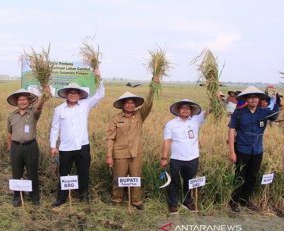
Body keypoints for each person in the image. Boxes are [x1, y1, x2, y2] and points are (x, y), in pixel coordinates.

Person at [50, 70, 104, 207]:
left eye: (75, 92)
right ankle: (61, 198)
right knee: (64, 173)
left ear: (79, 95)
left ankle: (83, 196)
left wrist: (99, 77)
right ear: (66, 94)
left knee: (83, 172)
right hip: (65, 147)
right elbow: (55, 128)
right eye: (70, 92)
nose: (73, 94)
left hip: (83, 146)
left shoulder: (85, 104)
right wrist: (52, 146)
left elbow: (100, 95)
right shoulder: (59, 109)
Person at [106, 81, 159, 210]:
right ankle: (117, 198)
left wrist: (154, 86)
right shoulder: (115, 119)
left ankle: (136, 200)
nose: (130, 105)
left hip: (136, 152)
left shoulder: (140, 115)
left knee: (136, 176)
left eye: (132, 102)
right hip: (120, 153)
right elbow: (110, 138)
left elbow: (148, 104)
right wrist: (109, 155)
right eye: (127, 102)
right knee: (119, 177)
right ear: (122, 105)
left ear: (135, 104)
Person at [228, 86, 280, 212]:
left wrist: (275, 97)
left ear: (259, 99)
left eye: (256, 97)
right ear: (246, 99)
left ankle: (245, 200)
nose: (253, 100)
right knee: (239, 176)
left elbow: (276, 114)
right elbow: (231, 131)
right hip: (242, 150)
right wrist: (232, 152)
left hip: (257, 150)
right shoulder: (239, 113)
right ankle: (234, 202)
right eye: (250, 97)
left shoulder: (263, 112)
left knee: (252, 176)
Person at [160, 99, 207, 214]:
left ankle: (188, 202)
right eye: (183, 108)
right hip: (177, 159)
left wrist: (216, 98)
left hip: (193, 158)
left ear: (191, 111)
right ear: (178, 110)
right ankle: (173, 204)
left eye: (188, 108)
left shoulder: (196, 120)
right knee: (175, 182)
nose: (185, 110)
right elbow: (167, 141)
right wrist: (164, 157)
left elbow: (208, 111)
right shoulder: (171, 124)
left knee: (189, 181)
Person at [7, 87, 49, 207]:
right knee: (16, 173)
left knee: (32, 173)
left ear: (29, 101)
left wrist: (44, 95)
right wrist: (9, 146)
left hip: (31, 146)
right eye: (20, 100)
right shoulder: (11, 116)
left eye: (25, 99)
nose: (22, 102)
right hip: (16, 147)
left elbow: (40, 106)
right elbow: (9, 133)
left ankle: (34, 197)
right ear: (16, 102)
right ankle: (17, 197)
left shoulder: (33, 113)